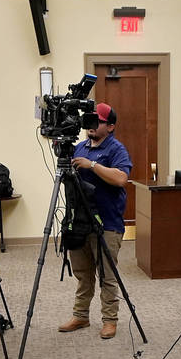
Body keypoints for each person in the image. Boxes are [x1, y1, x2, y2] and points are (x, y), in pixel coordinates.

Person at [59, 103, 132, 341]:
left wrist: (92, 165)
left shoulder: (116, 149)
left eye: (97, 121)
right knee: (82, 273)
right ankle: (80, 315)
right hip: (79, 222)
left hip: (107, 223)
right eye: (90, 120)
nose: (91, 125)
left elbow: (121, 178)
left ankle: (109, 320)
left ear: (110, 126)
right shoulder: (79, 147)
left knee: (107, 275)